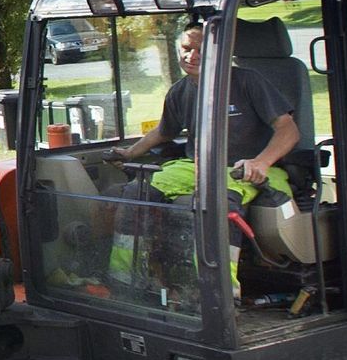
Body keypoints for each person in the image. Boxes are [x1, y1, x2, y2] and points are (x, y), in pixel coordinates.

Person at [97, 23, 298, 299]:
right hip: (196, 166)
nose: (191, 56)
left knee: (214, 202)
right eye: (187, 49)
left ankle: (218, 293)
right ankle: (126, 281)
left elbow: (288, 129)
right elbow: (164, 131)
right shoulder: (181, 91)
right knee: (137, 191)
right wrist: (130, 153)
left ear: (221, 52)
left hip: (249, 168)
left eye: (201, 50)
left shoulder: (247, 81)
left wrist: (261, 162)